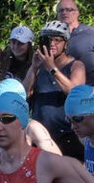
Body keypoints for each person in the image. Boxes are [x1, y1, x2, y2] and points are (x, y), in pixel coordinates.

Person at [25, 20, 86, 161]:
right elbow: (24, 94)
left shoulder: (76, 65)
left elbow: (76, 94)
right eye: (48, 40)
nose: (52, 44)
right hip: (42, 135)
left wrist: (52, 69)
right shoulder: (38, 67)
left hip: (68, 135)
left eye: (57, 40)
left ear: (66, 43)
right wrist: (33, 68)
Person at [57, 0, 94, 84]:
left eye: (69, 9)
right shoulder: (52, 36)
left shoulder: (90, 33)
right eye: (61, 10)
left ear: (78, 13)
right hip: (60, 89)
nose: (64, 12)